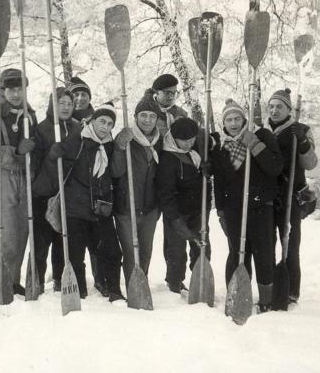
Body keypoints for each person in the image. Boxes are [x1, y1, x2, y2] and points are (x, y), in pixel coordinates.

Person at [210, 98, 283, 312]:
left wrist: (255, 145)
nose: (233, 123)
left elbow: (275, 167)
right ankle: (237, 294)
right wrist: (221, 211)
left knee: (264, 253)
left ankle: (267, 300)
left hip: (260, 207)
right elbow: (220, 182)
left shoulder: (262, 135)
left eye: (237, 118)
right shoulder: (223, 147)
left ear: (244, 119)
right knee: (237, 253)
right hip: (233, 210)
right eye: (229, 120)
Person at [48, 102, 124, 301]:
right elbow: (61, 159)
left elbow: (115, 172)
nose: (105, 127)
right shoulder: (79, 139)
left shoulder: (109, 145)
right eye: (101, 121)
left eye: (109, 124)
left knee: (112, 252)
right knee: (76, 255)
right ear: (93, 121)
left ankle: (114, 290)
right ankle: (79, 292)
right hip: (76, 207)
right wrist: (57, 152)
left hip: (101, 207)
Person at [0, 68, 37, 297]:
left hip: (23, 175)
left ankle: (13, 280)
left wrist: (25, 151)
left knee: (22, 231)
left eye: (19, 88)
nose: (15, 93)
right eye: (10, 89)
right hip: (1, 176)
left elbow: (34, 143)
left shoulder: (28, 114)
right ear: (3, 91)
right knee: (7, 231)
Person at [267, 88, 318, 305]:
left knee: (290, 244)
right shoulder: (263, 131)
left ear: (289, 109)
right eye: (271, 106)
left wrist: (304, 143)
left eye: (279, 106)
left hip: (291, 198)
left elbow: (311, 164)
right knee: (267, 245)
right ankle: (270, 286)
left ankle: (291, 290)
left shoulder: (301, 130)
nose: (274, 110)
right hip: (268, 197)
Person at [31, 87, 80, 292]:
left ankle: (60, 279)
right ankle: (37, 280)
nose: (66, 107)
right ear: (53, 105)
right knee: (41, 241)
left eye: (69, 104)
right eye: (61, 103)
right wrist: (51, 158)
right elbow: (34, 163)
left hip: (67, 192)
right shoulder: (41, 129)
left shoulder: (77, 129)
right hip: (44, 192)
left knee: (62, 240)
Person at [111, 96, 163, 289]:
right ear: (135, 117)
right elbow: (116, 171)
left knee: (146, 251)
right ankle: (133, 287)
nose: (147, 120)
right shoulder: (126, 138)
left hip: (150, 208)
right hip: (127, 207)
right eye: (143, 115)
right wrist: (120, 147)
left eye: (152, 116)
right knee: (131, 252)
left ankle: (143, 284)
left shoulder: (160, 142)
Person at [155, 117, 211, 293]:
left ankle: (199, 280)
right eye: (184, 140)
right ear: (174, 138)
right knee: (176, 252)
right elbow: (166, 193)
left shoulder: (196, 153)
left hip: (197, 211)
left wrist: (207, 169)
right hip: (177, 214)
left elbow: (210, 140)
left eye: (192, 139)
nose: (188, 144)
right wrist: (175, 219)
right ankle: (174, 283)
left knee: (202, 248)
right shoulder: (168, 158)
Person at [66, 75, 106, 295]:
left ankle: (100, 279)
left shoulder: (99, 119)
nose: (80, 98)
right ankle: (74, 283)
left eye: (84, 94)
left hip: (95, 190)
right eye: (76, 95)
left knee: (96, 241)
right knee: (73, 242)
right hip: (73, 190)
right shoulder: (63, 121)